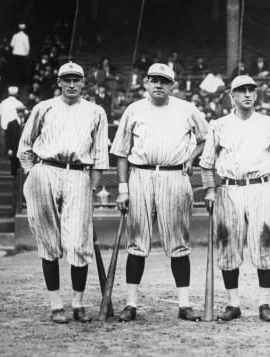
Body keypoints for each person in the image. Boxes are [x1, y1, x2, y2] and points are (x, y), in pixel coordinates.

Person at [110, 63, 210, 322]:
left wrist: (191, 158)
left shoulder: (186, 109)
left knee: (179, 243)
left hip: (175, 175)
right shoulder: (134, 109)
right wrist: (123, 188)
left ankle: (184, 304)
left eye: (164, 81)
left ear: (171, 85)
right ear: (146, 82)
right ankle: (131, 304)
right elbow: (121, 152)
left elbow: (207, 138)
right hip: (140, 175)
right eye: (154, 80)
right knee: (136, 243)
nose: (158, 85)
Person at [17, 61, 109, 324]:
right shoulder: (43, 107)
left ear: (83, 83)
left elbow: (100, 154)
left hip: (79, 173)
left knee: (78, 241)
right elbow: (25, 146)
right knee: (48, 239)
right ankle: (56, 302)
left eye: (76, 80)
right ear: (58, 82)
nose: (71, 85)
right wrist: (32, 173)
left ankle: (78, 303)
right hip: (45, 169)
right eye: (66, 80)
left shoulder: (95, 111)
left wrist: (91, 185)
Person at [200, 75, 270, 322]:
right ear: (232, 96)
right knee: (228, 246)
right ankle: (233, 303)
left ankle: (264, 303)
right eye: (241, 91)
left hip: (260, 188)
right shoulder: (219, 125)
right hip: (229, 190)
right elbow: (206, 162)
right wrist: (210, 189)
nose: (247, 94)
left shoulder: (269, 123)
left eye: (251, 90)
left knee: (265, 244)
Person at [5, 106, 25, 177]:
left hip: (24, 150)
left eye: (22, 112)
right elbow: (7, 137)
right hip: (14, 149)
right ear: (17, 113)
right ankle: (15, 185)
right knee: (14, 169)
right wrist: (9, 148)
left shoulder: (26, 123)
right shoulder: (11, 124)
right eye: (19, 112)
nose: (21, 114)